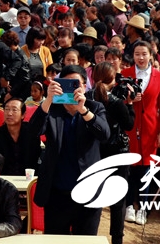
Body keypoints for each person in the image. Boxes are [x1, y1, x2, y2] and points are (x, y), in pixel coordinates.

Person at [30, 64, 110, 236]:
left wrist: (83, 110)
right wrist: (48, 99)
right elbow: (32, 132)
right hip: (57, 193)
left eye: (75, 84)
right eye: (64, 84)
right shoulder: (52, 109)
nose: (71, 89)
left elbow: (104, 134)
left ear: (84, 86)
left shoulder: (95, 107)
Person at [122, 40, 160, 226]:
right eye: (137, 54)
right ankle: (128, 206)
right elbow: (116, 101)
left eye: (144, 54)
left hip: (150, 129)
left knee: (147, 169)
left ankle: (143, 207)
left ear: (151, 55)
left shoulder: (159, 77)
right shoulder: (125, 74)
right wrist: (129, 100)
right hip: (130, 128)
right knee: (129, 169)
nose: (140, 58)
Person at [90, 61, 135, 244]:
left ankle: (89, 235)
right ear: (112, 80)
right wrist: (130, 104)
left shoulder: (86, 97)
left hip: (93, 152)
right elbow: (129, 125)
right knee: (117, 200)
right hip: (117, 153)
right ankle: (117, 239)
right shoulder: (116, 102)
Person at [0, 98, 35, 176]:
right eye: (7, 109)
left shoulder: (32, 133)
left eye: (14, 110)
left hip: (27, 178)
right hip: (2, 180)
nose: (9, 113)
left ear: (23, 115)